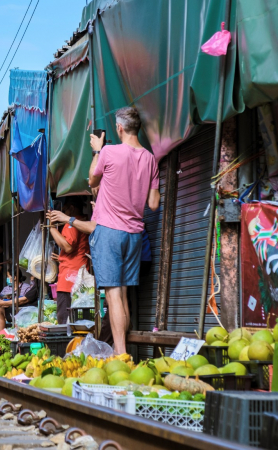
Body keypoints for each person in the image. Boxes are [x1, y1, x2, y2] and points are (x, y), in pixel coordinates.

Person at [87, 106, 160, 354]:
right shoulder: (150, 159)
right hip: (135, 233)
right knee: (124, 295)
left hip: (109, 230)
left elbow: (92, 181)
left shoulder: (108, 152)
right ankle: (125, 353)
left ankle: (120, 354)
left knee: (113, 294)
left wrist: (97, 150)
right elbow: (153, 203)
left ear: (119, 128)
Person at [49, 197, 91, 324]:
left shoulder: (71, 224)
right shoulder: (82, 222)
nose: (62, 212)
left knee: (65, 320)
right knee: (79, 321)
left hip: (69, 280)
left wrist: (51, 228)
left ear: (71, 208)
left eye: (64, 209)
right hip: (78, 277)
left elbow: (68, 246)